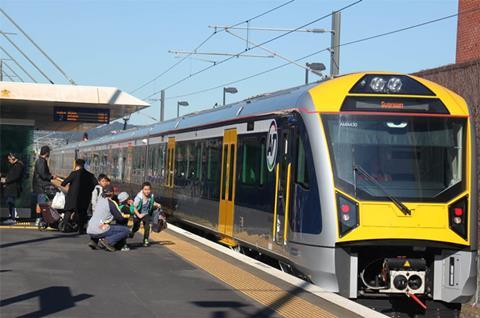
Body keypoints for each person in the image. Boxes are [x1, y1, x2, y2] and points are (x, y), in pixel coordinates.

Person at [87, 185, 129, 252]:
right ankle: (108, 241)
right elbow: (120, 218)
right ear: (112, 193)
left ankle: (94, 241)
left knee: (102, 222)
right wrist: (128, 215)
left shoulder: (99, 200)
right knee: (125, 230)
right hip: (99, 230)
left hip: (90, 229)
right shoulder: (111, 203)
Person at [61, 159, 97, 234]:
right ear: (84, 165)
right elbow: (95, 184)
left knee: (68, 211)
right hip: (84, 198)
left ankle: (64, 227)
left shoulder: (74, 173)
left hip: (72, 198)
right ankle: (80, 229)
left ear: (76, 165)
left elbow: (63, 183)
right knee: (82, 213)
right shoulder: (90, 175)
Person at [130, 182, 160, 247]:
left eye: (148, 189)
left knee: (147, 227)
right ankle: (132, 232)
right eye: (145, 189)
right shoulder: (139, 197)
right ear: (142, 189)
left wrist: (156, 204)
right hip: (138, 214)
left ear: (150, 189)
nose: (147, 191)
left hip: (146, 214)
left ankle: (145, 240)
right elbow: (134, 206)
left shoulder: (151, 195)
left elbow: (151, 202)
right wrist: (138, 215)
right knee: (136, 227)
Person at [32, 146, 57, 226]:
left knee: (39, 203)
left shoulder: (39, 160)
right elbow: (43, 174)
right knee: (42, 204)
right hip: (41, 186)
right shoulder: (42, 161)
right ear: (46, 153)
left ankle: (38, 219)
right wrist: (51, 177)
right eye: (49, 152)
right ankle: (39, 220)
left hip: (38, 185)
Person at [1, 153, 25, 225]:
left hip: (13, 188)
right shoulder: (16, 165)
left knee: (10, 203)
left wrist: (6, 180)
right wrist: (3, 176)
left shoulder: (19, 165)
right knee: (10, 203)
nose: (9, 160)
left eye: (9, 159)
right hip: (11, 187)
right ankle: (11, 217)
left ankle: (12, 218)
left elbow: (15, 176)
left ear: (14, 157)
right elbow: (12, 175)